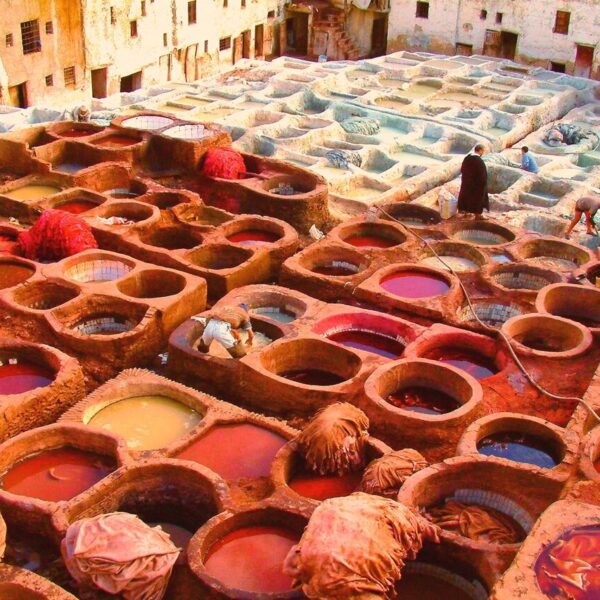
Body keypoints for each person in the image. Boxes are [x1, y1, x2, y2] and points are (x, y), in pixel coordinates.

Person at [458, 144, 489, 219]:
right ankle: (478, 215)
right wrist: (483, 185)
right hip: (476, 185)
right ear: (480, 150)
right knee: (477, 199)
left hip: (466, 183)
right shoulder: (479, 161)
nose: (483, 153)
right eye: (483, 151)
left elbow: (462, 169)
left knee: (466, 197)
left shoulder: (467, 158)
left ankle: (466, 213)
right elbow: (482, 175)